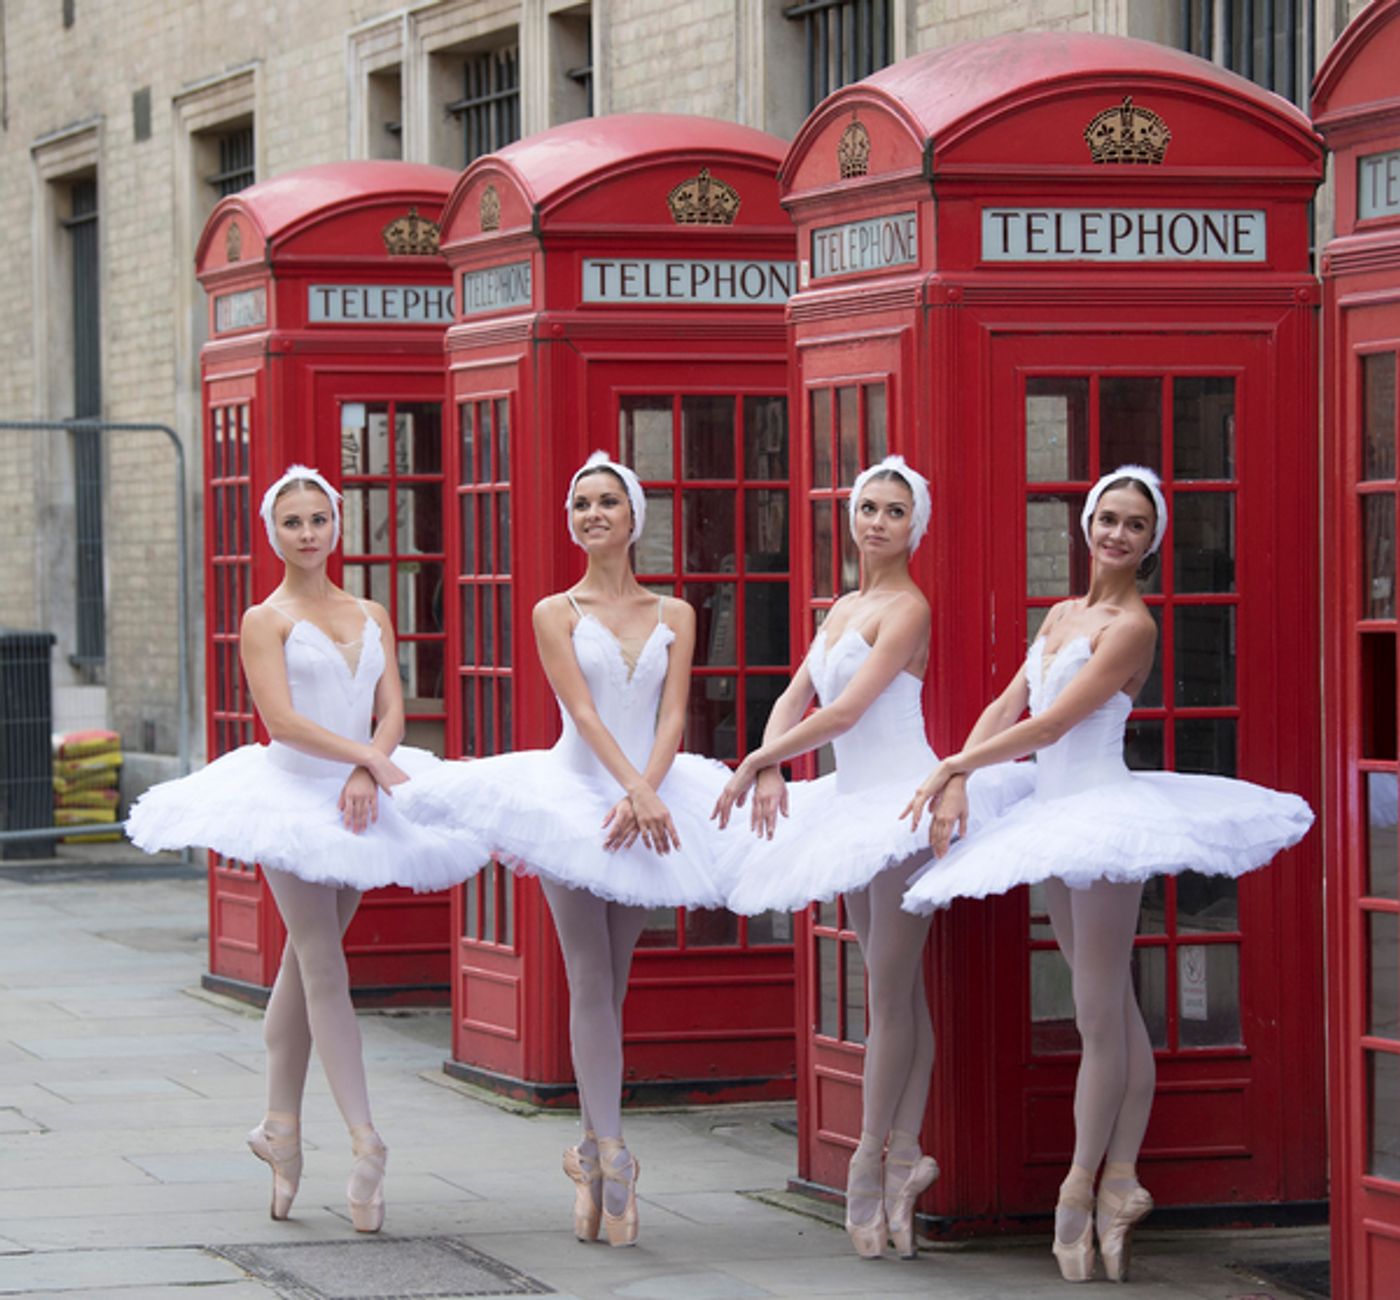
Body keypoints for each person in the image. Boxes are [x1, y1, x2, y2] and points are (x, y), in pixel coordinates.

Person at [901, 465, 1314, 1283]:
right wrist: (958, 774)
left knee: (1096, 1014)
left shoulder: (1132, 626)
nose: (1117, 534)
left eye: (1133, 524)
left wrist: (955, 763)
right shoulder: (1059, 614)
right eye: (1107, 518)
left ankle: (1079, 1186)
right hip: (1052, 818)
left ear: (1150, 541)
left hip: (1102, 818)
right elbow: (1008, 705)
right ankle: (1123, 1178)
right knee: (1115, 1009)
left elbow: (1054, 721)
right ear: (1085, 524)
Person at [397, 452, 734, 1248]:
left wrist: (649, 790)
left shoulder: (676, 613)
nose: (592, 514)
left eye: (607, 502)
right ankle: (615, 1158)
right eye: (579, 503)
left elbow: (674, 715)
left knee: (612, 984)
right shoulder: (556, 610)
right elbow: (582, 713)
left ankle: (588, 1154)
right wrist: (632, 790)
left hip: (649, 794)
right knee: (588, 974)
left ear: (633, 516)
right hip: (571, 797)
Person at [127, 464, 474, 1233]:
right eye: (294, 522)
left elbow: (395, 709)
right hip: (287, 796)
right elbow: (280, 722)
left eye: (320, 519)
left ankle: (279, 1131)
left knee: (301, 963)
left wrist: (368, 765)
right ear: (272, 532)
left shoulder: (373, 611)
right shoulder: (267, 617)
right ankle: (366, 1141)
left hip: (358, 795)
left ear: (337, 525)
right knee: (321, 961)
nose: (309, 533)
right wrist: (369, 761)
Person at [714, 456, 1029, 1260]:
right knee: (895, 991)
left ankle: (866, 1161)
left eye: (894, 511)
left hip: (901, 805)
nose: (877, 521)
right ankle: (903, 1160)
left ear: (915, 526)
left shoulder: (909, 609)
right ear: (851, 517)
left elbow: (849, 709)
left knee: (888, 994)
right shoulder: (843, 606)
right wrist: (773, 756)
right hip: (851, 807)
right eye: (867, 507)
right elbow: (797, 697)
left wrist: (754, 764)